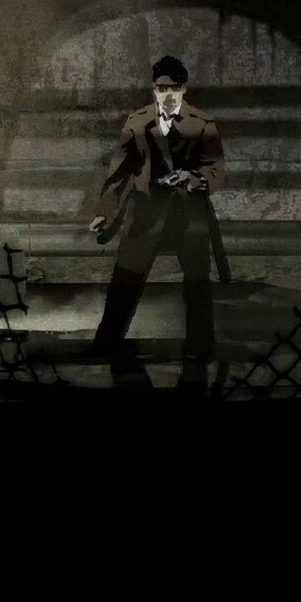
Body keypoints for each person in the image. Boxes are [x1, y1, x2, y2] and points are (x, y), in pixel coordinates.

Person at [86, 55, 229, 392]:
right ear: (154, 89)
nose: (166, 94)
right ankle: (106, 343)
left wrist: (193, 178)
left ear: (183, 89)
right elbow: (118, 173)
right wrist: (104, 212)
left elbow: (216, 170)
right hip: (146, 213)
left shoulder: (202, 123)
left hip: (188, 214)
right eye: (160, 88)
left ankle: (200, 350)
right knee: (125, 279)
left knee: (197, 283)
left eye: (173, 88)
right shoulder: (137, 122)